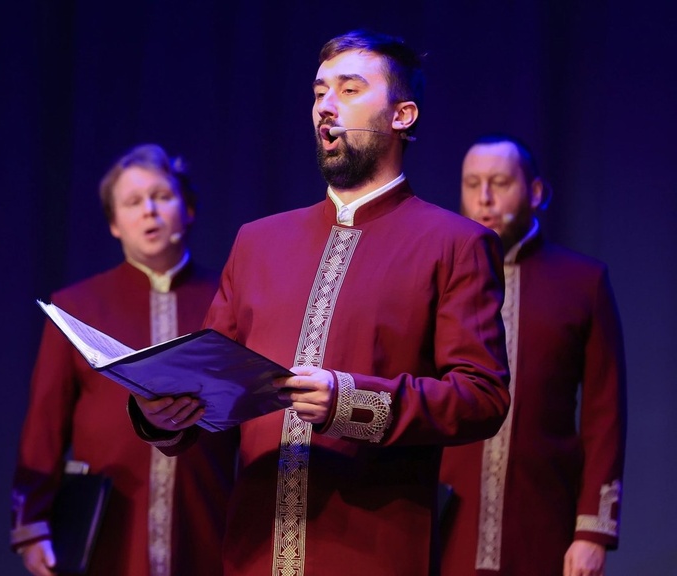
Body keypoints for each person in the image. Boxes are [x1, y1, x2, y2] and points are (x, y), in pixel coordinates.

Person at [129, 30, 512, 576]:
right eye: (318, 93)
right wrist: (162, 413)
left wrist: (349, 399)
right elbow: (212, 388)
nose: (325, 106)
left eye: (349, 90)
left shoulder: (454, 243)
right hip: (254, 551)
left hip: (370, 552)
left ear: (402, 115)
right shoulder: (258, 242)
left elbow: (481, 397)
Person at [10, 144, 238, 576]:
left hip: (207, 514)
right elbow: (45, 421)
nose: (149, 211)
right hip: (110, 522)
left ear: (188, 209)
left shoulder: (227, 300)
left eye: (162, 197)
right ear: (114, 224)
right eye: (133, 202)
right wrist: (32, 523)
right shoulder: (77, 306)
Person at [439, 134, 626, 576]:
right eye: (472, 184)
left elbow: (604, 416)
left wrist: (592, 532)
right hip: (445, 524)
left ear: (536, 192)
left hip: (543, 523)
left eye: (500, 182)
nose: (484, 198)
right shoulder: (440, 278)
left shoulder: (582, 283)